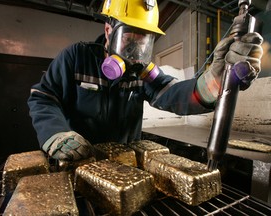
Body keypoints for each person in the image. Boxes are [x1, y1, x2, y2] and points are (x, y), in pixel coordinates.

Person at [27, 0, 263, 161]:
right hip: (79, 159)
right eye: (129, 38)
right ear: (109, 31)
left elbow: (172, 93)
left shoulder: (140, 72)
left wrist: (212, 84)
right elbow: (43, 97)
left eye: (143, 43)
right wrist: (55, 133)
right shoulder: (76, 57)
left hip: (124, 163)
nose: (135, 50)